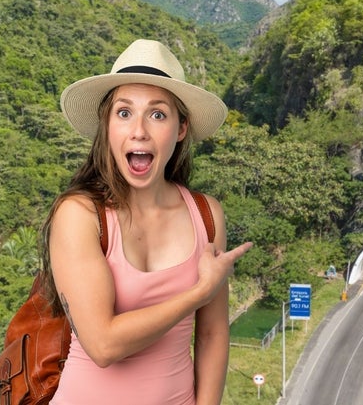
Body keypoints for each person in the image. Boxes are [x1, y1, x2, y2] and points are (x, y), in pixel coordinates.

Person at [39, 39, 253, 405]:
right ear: (107, 125)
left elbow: (212, 334)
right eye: (124, 113)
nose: (139, 130)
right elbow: (104, 345)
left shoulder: (206, 215)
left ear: (181, 128)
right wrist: (199, 292)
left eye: (157, 115)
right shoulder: (80, 214)